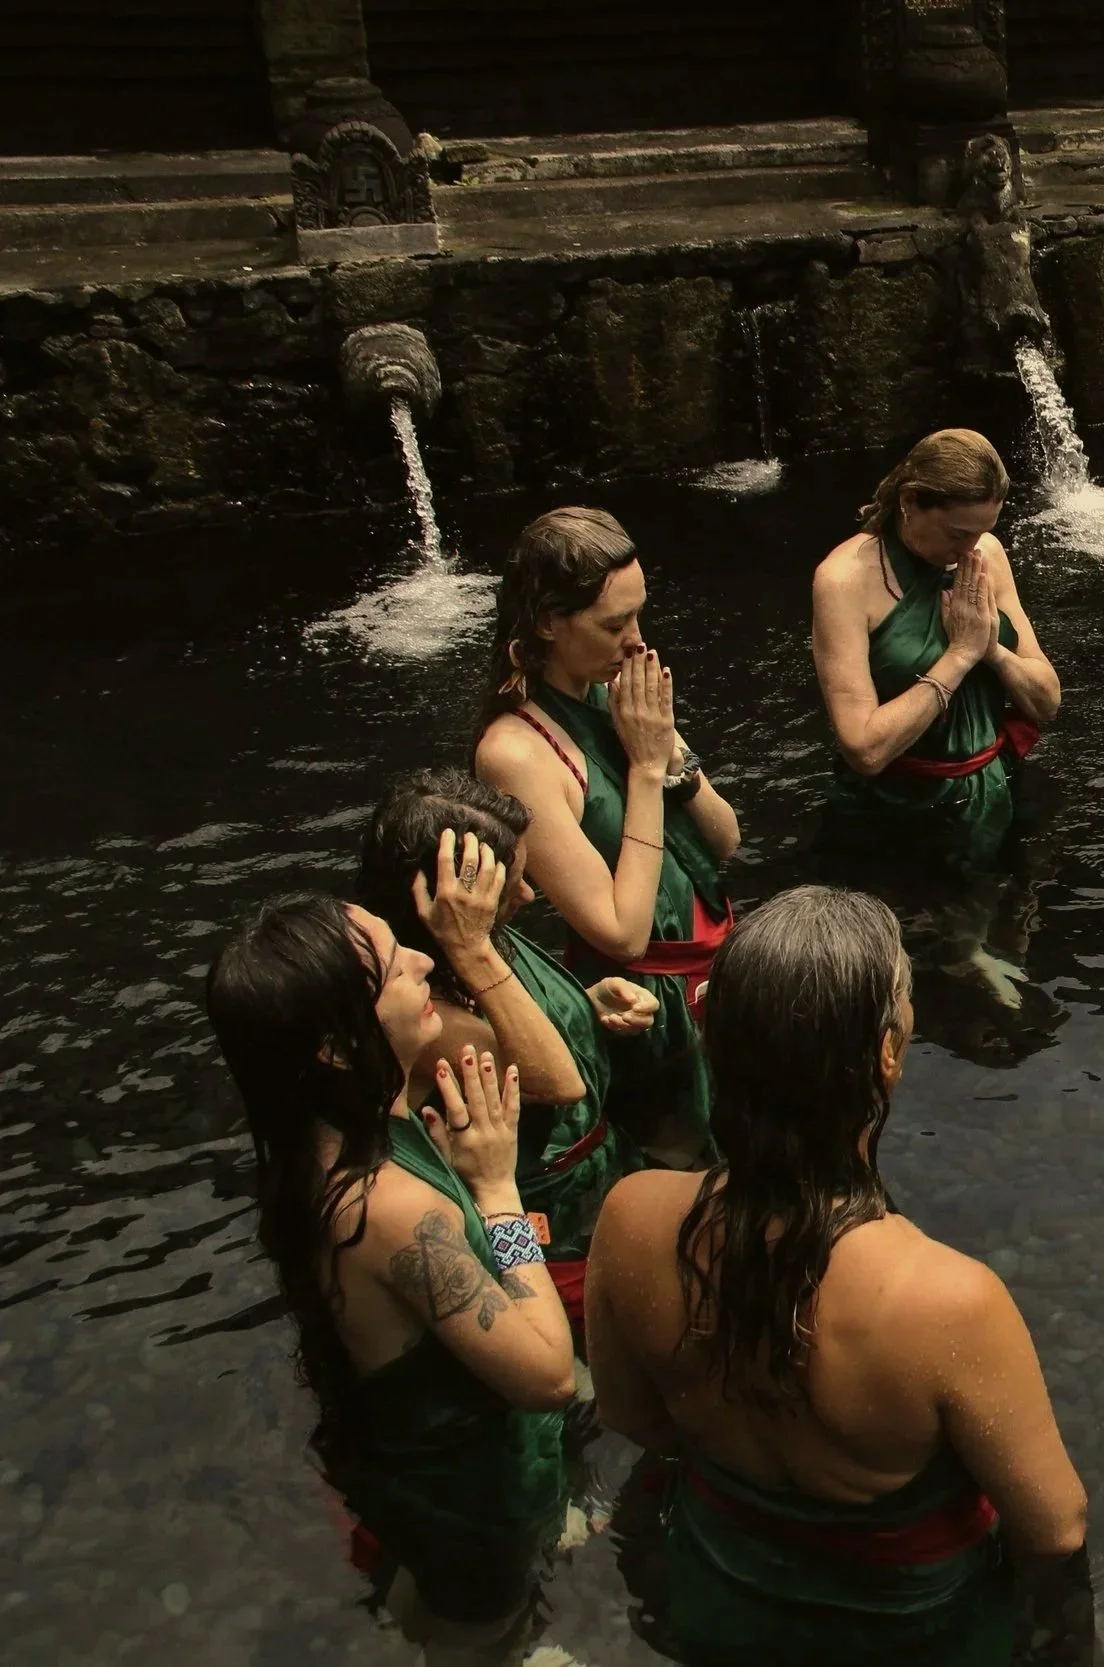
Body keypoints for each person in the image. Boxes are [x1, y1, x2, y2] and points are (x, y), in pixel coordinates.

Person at [584, 886, 1087, 1666]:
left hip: (724, 1596)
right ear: (886, 1053)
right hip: (902, 1634)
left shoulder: (630, 1218)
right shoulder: (948, 1299)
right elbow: (1056, 1526)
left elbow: (632, 1416)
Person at [208, 887, 575, 1663]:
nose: (421, 958)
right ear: (337, 1045)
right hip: (472, 1510)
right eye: (393, 965)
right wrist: (500, 1194)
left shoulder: (330, 1130)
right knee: (490, 1629)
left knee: (442, 1599)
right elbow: (547, 1377)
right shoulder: (386, 1210)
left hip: (411, 1468)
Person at [473, 507, 740, 1165]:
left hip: (718, 975)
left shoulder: (619, 690)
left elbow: (726, 839)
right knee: (686, 1180)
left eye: (639, 615)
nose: (637, 640)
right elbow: (619, 931)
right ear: (546, 623)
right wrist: (646, 768)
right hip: (644, 1009)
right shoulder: (516, 753)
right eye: (614, 624)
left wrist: (673, 762)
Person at [357, 768, 660, 1338]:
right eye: (509, 887)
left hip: (602, 1180)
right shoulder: (420, 1007)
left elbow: (513, 1022)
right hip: (541, 1228)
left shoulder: (482, 941)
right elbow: (556, 1082)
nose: (527, 894)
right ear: (452, 901)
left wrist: (584, 1005)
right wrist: (469, 945)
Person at [810, 428, 1061, 874]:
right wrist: (960, 656)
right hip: (898, 814)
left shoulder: (987, 552)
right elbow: (864, 749)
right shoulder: (843, 580)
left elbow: (1047, 701)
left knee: (1004, 935)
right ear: (910, 503)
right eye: (955, 534)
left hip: (992, 794)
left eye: (983, 532)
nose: (969, 550)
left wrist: (993, 653)